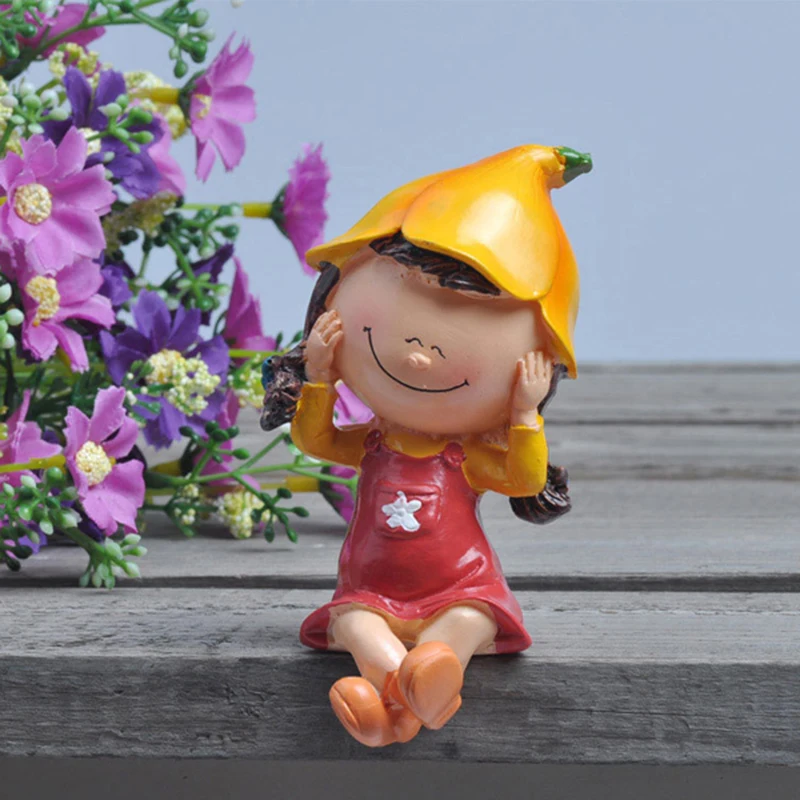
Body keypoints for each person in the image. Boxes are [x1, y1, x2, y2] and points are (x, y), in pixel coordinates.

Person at [262, 144, 592, 747]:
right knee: (356, 622)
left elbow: (523, 479)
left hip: (460, 586)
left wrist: (523, 414)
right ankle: (406, 693)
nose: (418, 355)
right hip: (371, 589)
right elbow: (317, 439)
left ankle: (408, 696)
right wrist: (320, 377)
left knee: (466, 620)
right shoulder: (374, 443)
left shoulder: (465, 458)